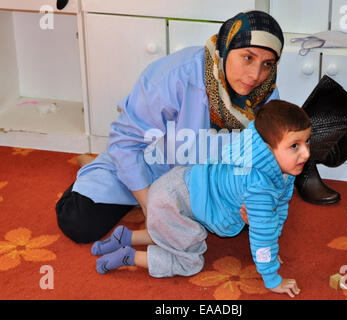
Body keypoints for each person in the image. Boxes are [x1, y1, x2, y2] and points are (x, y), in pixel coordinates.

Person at [55, 10, 285, 243]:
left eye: (267, 64)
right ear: (226, 49)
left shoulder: (265, 92)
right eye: (248, 57)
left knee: (254, 218)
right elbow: (125, 141)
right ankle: (106, 174)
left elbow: (265, 154)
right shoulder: (176, 75)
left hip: (205, 178)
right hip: (152, 163)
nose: (256, 74)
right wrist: (151, 209)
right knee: (78, 221)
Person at [91, 100, 311, 298]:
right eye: (294, 146)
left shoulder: (276, 167)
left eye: (307, 142)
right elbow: (263, 235)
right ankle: (128, 257)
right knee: (190, 261)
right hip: (173, 202)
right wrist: (272, 278)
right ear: (267, 148)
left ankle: (125, 237)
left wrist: (273, 247)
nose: (306, 153)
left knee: (175, 233)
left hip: (181, 184)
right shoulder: (259, 187)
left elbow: (278, 210)